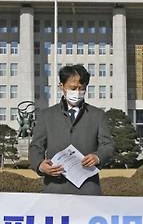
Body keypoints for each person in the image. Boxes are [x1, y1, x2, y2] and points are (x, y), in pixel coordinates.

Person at [29, 64, 114, 195]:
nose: (77, 92)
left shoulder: (97, 115)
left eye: (82, 89)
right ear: (61, 86)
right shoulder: (46, 115)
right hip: (55, 188)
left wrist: (98, 157)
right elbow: (35, 147)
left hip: (88, 188)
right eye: (73, 88)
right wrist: (40, 165)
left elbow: (108, 145)